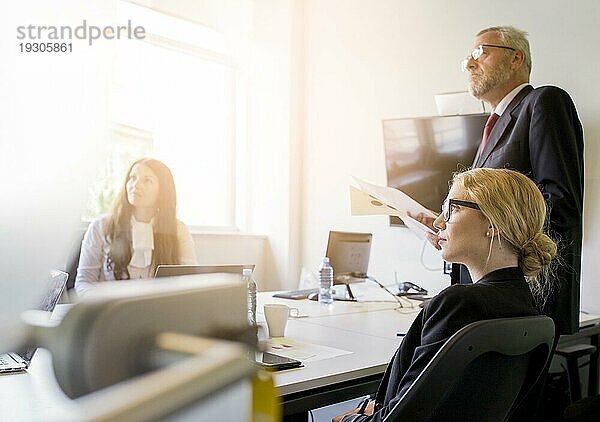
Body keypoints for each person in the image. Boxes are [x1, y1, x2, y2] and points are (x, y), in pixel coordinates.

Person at [333, 168, 557, 422]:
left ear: (493, 224)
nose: (439, 222)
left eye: (451, 210)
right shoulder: (526, 304)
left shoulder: (458, 304)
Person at [417, 25, 583, 335]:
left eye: (480, 53)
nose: (469, 63)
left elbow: (560, 204)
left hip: (523, 297)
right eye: (468, 56)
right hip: (483, 296)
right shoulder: (491, 128)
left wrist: (489, 222)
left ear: (516, 58)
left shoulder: (544, 102)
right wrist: (448, 223)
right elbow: (490, 209)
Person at [74, 158, 197, 296]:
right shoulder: (100, 227)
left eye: (147, 180)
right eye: (132, 178)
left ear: (163, 191)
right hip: (111, 313)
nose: (136, 185)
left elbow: (189, 283)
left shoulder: (179, 230)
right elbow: (84, 283)